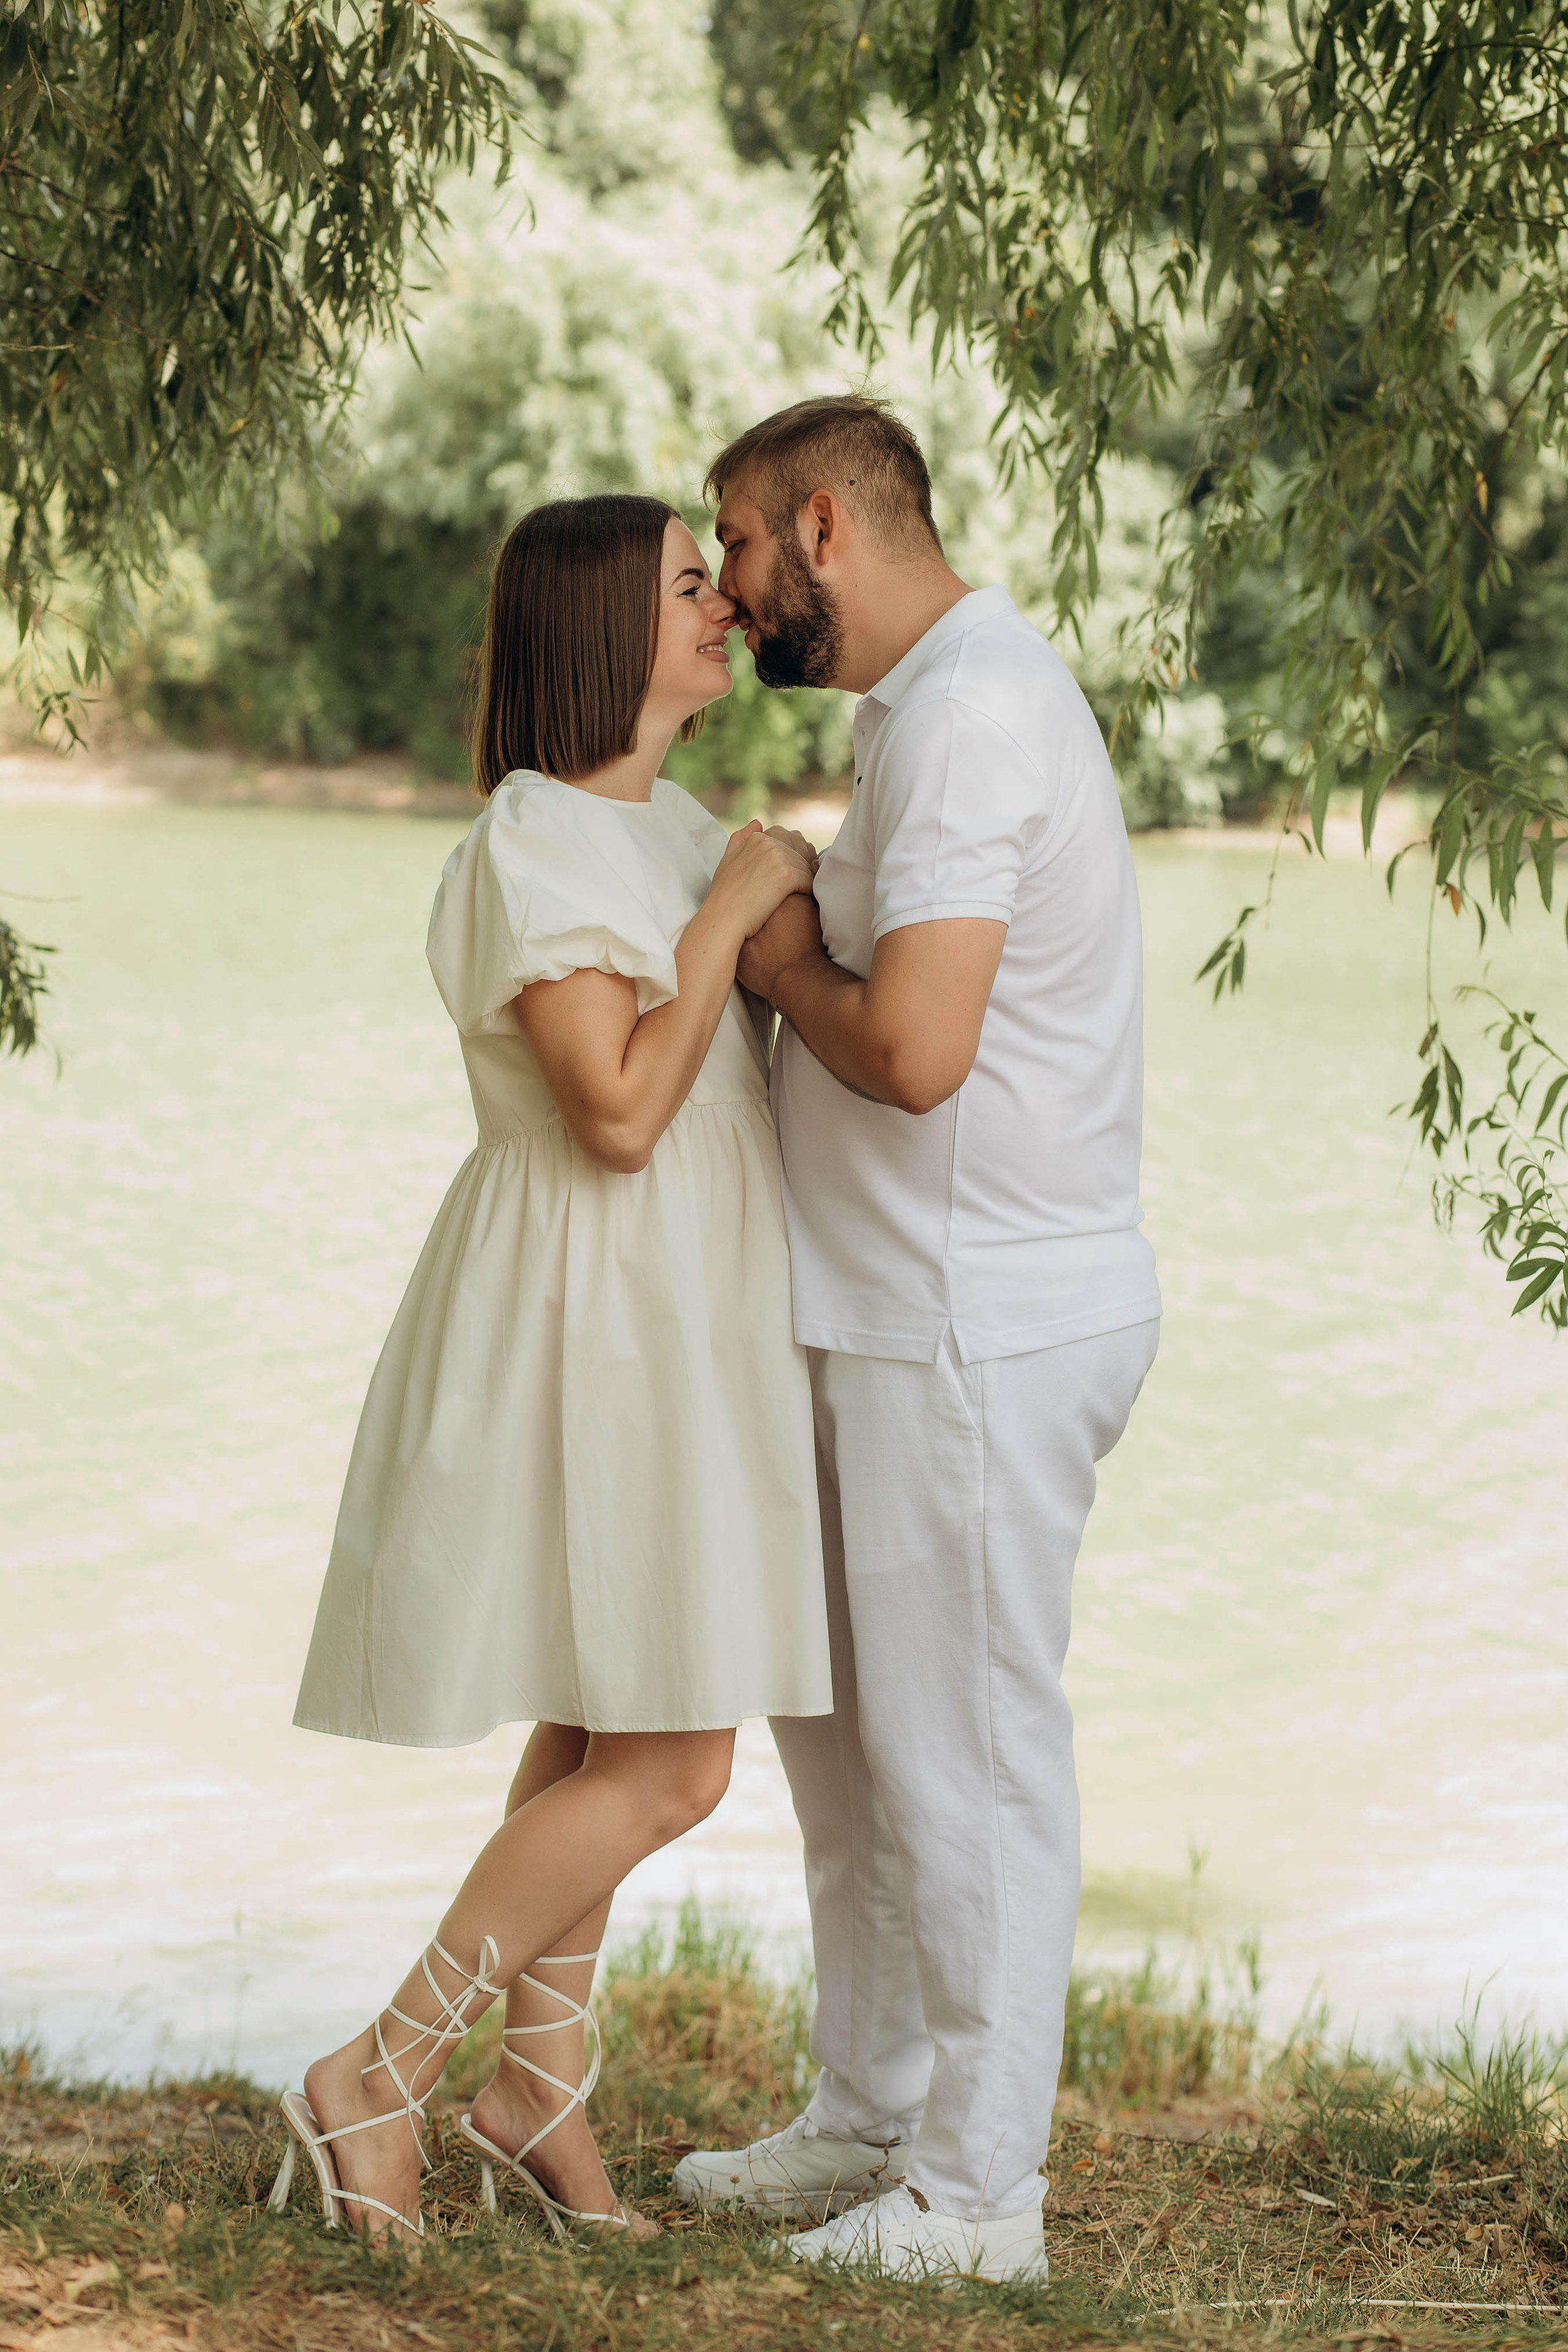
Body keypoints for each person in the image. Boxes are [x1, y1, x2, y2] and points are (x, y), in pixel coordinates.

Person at [274, 493, 832, 2241]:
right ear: (601, 624)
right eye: (689, 585)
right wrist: (735, 907)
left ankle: (537, 2094)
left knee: (605, 1718)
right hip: (602, 1305)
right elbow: (617, 1113)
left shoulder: (673, 828)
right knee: (677, 1760)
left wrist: (740, 891)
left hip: (688, 1304)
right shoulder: (535, 840)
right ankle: (380, 2073)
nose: (726, 605)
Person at [671, 397, 1163, 2282]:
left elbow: (916, 1050)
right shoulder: (923, 713)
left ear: (822, 527)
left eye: (735, 543)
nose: (727, 587)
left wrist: (782, 947)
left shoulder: (967, 718)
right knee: (854, 1754)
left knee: (969, 1762)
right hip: (890, 1314)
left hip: (975, 1328)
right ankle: (870, 2112)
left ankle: (979, 2199)